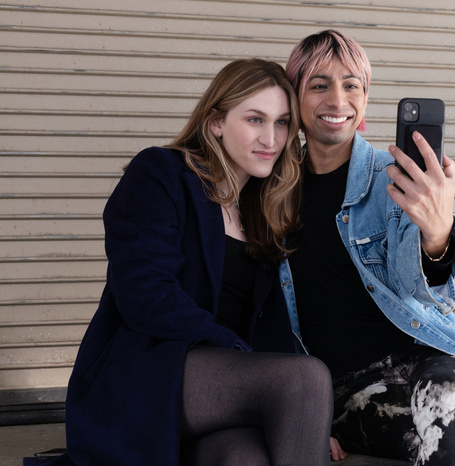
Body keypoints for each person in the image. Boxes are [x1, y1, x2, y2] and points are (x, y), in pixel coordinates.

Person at [42, 58, 333, 466]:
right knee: (307, 379)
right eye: (255, 119)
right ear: (215, 122)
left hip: (225, 392)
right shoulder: (161, 174)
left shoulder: (263, 211)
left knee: (244, 458)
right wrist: (251, 362)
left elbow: (272, 325)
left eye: (283, 123)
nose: (271, 138)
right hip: (150, 375)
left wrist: (310, 420)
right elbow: (146, 293)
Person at [281, 30, 455, 465]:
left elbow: (421, 290)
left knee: (444, 396)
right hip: (348, 388)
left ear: (365, 100)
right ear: (295, 98)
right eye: (319, 85)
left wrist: (437, 234)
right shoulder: (273, 191)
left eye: (351, 85)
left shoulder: (395, 178)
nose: (337, 99)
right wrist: (298, 415)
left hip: (426, 354)